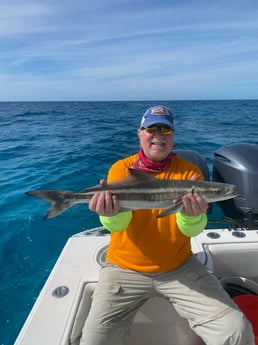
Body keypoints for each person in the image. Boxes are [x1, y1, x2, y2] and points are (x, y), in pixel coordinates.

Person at [80, 105, 255, 345]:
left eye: (166, 130)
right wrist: (109, 215)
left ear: (173, 136)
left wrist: (192, 216)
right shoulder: (121, 169)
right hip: (123, 267)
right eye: (152, 128)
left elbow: (191, 231)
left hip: (179, 266)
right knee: (94, 341)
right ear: (140, 133)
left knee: (236, 331)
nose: (159, 135)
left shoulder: (189, 173)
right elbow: (117, 227)